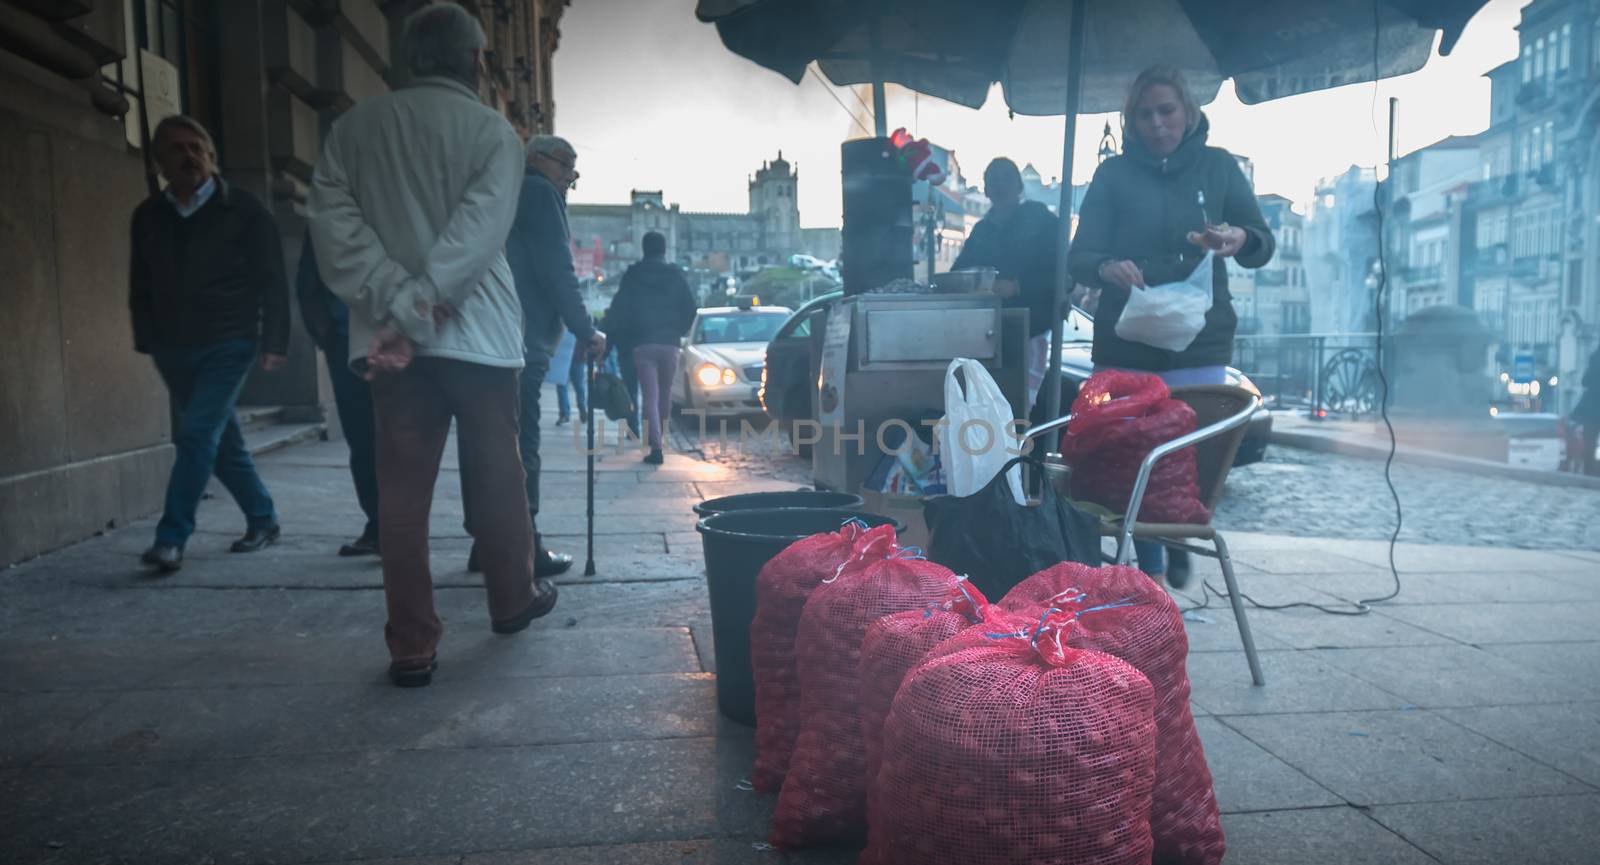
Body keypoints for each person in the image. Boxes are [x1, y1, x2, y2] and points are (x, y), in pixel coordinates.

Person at [308, 4, 555, 687]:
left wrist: (394, 302)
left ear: (408, 58)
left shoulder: (353, 129)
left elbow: (334, 227)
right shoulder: (494, 133)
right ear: (475, 62)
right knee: (500, 477)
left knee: (402, 493)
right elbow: (476, 238)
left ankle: (411, 643)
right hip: (477, 337)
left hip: (392, 344)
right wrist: (422, 307)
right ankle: (512, 598)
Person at [1068, 64, 1275, 588]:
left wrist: (1237, 238)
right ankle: (1154, 565)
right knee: (1126, 461)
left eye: (1167, 111)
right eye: (1145, 114)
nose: (1157, 124)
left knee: (1188, 459)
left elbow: (1261, 244)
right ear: (1131, 120)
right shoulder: (1112, 175)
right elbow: (1079, 257)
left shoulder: (1219, 167)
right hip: (1126, 346)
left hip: (1198, 342)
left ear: (1188, 113)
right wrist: (1105, 267)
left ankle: (1179, 531)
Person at [129, 114, 288, 573]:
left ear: (212, 157)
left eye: (196, 147)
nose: (188, 157)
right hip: (172, 345)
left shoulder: (245, 209)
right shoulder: (149, 216)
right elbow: (139, 282)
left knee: (197, 434)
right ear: (160, 161)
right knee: (220, 439)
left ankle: (171, 538)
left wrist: (275, 340)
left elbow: (273, 280)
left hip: (229, 339)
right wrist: (147, 336)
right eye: (176, 149)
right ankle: (263, 517)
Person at [482, 133, 605, 575]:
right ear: (538, 159)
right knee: (522, 445)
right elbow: (557, 268)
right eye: (565, 165)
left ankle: (487, 542)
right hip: (524, 340)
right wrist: (586, 329)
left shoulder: (509, 189)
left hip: (493, 337)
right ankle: (525, 547)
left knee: (490, 445)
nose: (570, 176)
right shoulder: (538, 191)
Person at [952, 157, 1060, 420]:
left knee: (1022, 410)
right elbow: (959, 273)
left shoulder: (1041, 219)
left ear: (1019, 186)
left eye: (1005, 180)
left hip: (1031, 330)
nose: (999, 186)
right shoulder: (981, 231)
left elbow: (1060, 271)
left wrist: (1017, 286)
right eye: (993, 181)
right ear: (986, 190)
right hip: (987, 335)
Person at [295, 233, 379, 557]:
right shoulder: (327, 214)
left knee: (403, 438)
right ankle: (378, 524)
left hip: (401, 334)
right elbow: (308, 281)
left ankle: (400, 526)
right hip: (345, 341)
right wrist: (326, 334)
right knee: (361, 437)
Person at [605, 231, 698, 464]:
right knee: (664, 396)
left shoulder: (633, 275)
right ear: (664, 249)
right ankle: (661, 440)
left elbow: (619, 309)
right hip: (670, 344)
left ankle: (655, 447)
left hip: (642, 343)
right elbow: (691, 308)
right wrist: (677, 331)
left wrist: (613, 338)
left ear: (643, 249)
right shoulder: (676, 275)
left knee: (650, 395)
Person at [1571, 345, 1600, 476]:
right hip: (1593, 407)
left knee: (1589, 441)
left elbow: (1585, 381)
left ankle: (1589, 470)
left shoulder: (1595, 358)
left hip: (1592, 408)